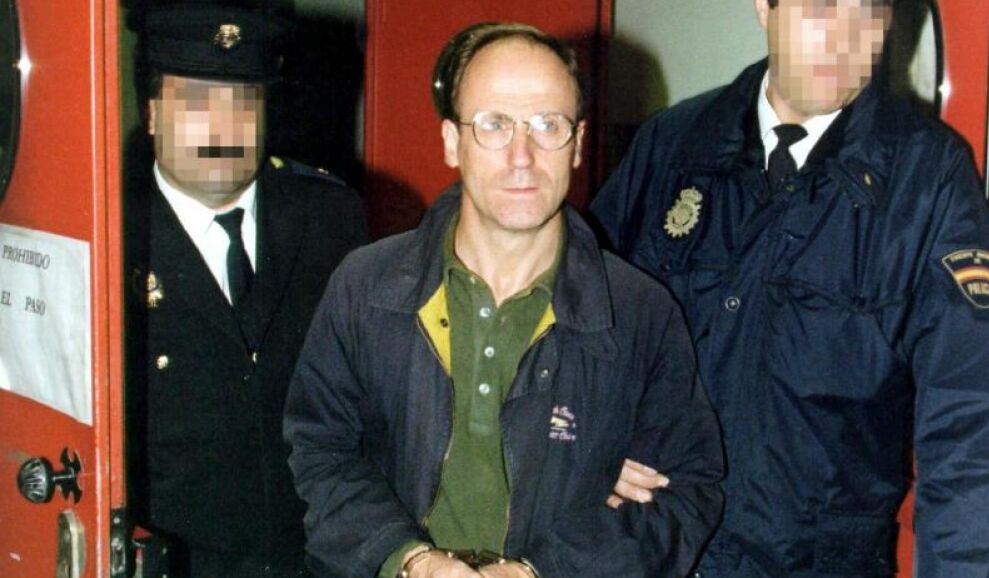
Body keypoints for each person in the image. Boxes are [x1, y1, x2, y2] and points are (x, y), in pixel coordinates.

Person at [591, 0, 989, 576]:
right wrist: (589, 445)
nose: (844, 38)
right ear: (764, 8)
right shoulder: (673, 146)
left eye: (868, 12)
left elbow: (973, 429)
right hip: (652, 551)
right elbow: (571, 320)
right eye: (820, 7)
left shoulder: (926, 179)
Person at [284, 22, 724, 578]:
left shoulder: (640, 314)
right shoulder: (366, 287)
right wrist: (411, 560)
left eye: (548, 125)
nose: (523, 155)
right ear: (452, 141)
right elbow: (320, 451)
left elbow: (684, 491)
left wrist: (542, 570)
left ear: (578, 144)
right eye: (494, 124)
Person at [124, 5, 367, 576]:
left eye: (243, 102)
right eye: (197, 101)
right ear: (153, 113)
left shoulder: (329, 217)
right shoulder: (112, 238)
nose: (223, 128)